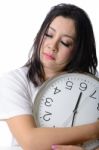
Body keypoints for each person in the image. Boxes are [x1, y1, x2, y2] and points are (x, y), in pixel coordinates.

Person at [0, 3, 99, 150]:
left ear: (78, 50)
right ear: (40, 34)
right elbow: (30, 141)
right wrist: (95, 130)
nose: (52, 45)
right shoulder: (14, 81)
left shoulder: (91, 83)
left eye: (65, 43)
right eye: (49, 35)